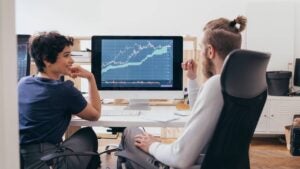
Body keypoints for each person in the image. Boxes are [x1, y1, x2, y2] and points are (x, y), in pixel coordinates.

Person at [116, 16, 247, 169]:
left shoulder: (215, 84)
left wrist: (153, 145)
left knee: (130, 132)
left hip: (187, 164)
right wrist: (192, 78)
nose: (201, 53)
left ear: (210, 51)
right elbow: (201, 109)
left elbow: (180, 159)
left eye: (201, 48)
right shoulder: (239, 83)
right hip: (216, 162)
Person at [18, 31, 101, 169]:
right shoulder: (64, 90)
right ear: (47, 60)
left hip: (20, 159)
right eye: (66, 55)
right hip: (46, 162)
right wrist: (90, 78)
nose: (72, 61)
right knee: (88, 134)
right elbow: (95, 114)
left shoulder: (23, 82)